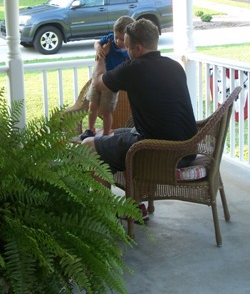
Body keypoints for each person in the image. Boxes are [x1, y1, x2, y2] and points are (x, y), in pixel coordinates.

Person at [82, 17, 198, 191]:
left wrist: (101, 56)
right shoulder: (175, 66)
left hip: (156, 152)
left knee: (88, 146)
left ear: (137, 48)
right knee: (111, 137)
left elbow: (98, 83)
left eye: (127, 47)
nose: (126, 51)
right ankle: (134, 201)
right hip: (187, 150)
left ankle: (104, 206)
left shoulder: (133, 69)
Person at [80, 15, 135, 141]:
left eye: (121, 39)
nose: (118, 41)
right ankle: (91, 129)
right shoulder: (110, 40)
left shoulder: (129, 52)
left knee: (106, 110)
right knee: (92, 105)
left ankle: (106, 134)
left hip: (111, 83)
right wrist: (99, 49)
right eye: (116, 37)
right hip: (98, 77)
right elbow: (97, 43)